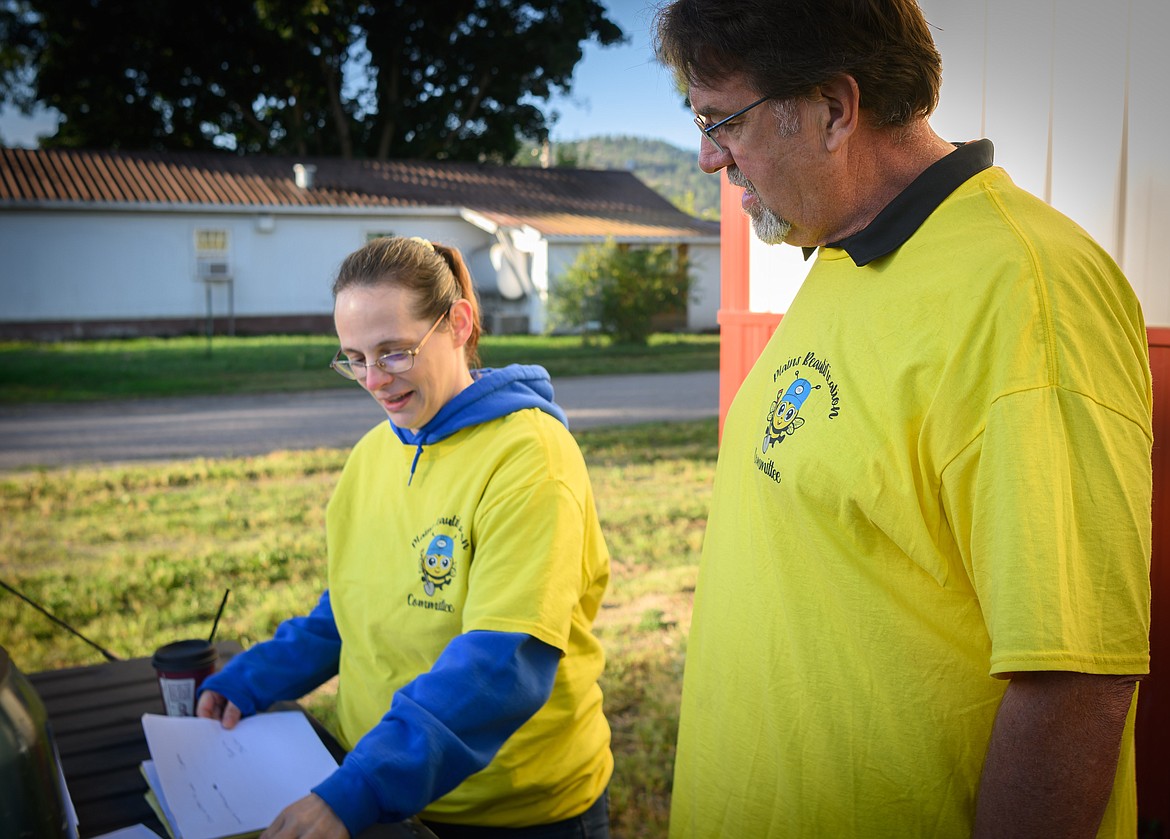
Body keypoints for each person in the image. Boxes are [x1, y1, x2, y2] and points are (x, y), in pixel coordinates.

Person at [654, 1, 1153, 837]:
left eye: (723, 121)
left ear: (835, 109)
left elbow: (1073, 683)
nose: (709, 157)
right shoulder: (849, 249)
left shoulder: (1028, 293)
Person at [196, 236, 613, 838]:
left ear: (459, 324)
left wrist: (359, 790)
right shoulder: (372, 454)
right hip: (388, 791)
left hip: (511, 811)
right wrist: (254, 677)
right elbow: (351, 607)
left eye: (393, 353)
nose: (374, 380)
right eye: (355, 358)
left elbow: (501, 665)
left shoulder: (530, 459)